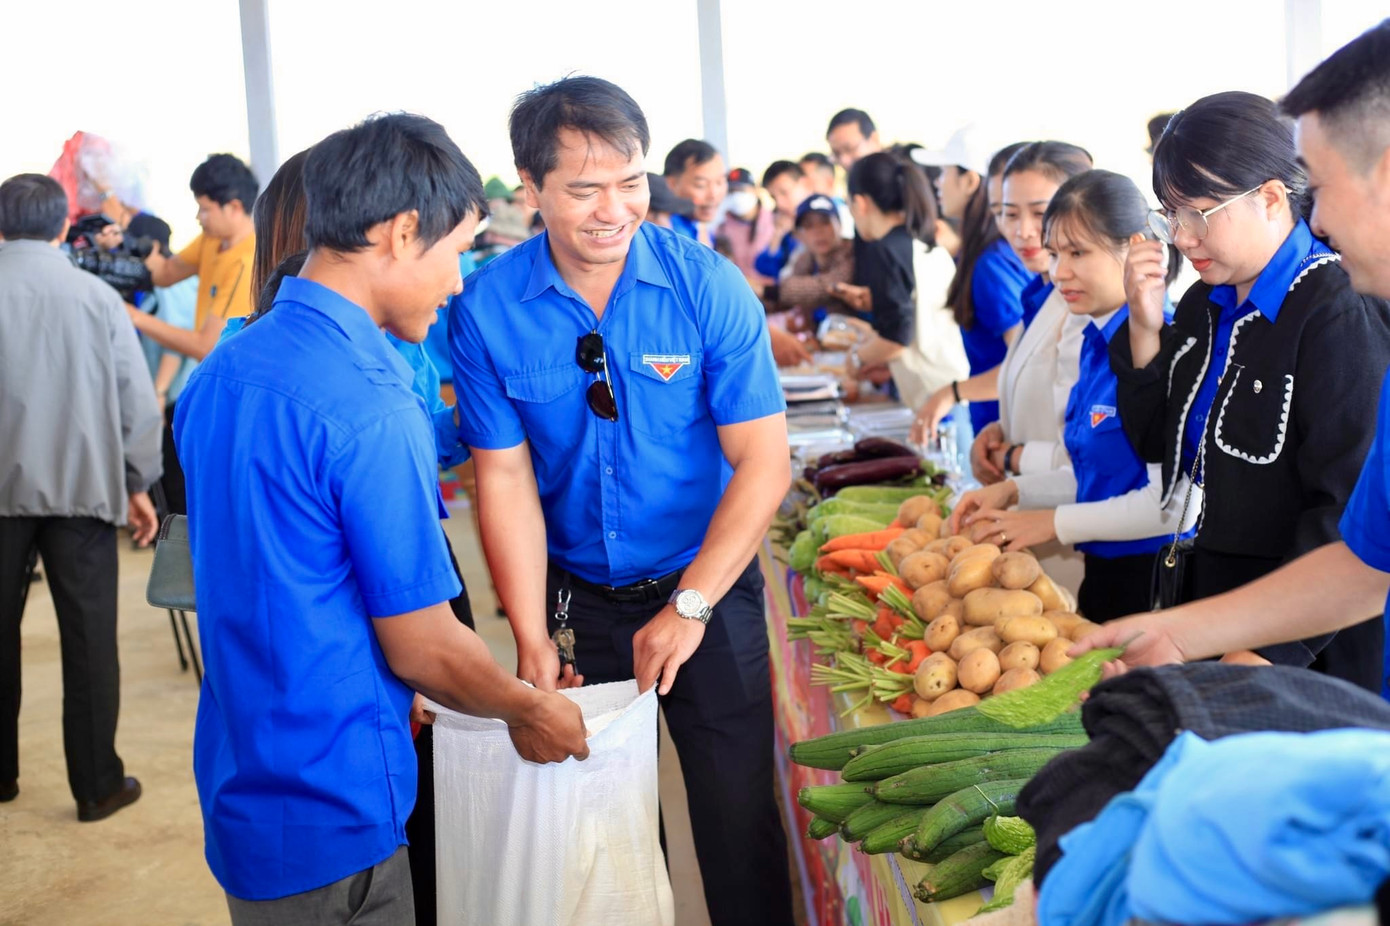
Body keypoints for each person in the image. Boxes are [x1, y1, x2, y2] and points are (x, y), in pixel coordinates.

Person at [175, 114, 589, 925]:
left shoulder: (222, 372)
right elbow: (423, 641)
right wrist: (529, 706)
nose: (460, 281)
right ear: (402, 233)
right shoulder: (370, 401)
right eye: (456, 252)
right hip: (336, 798)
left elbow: (282, 574)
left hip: (245, 777)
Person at [449, 75, 795, 926]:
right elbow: (504, 478)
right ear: (529, 190)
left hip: (707, 594)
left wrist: (691, 603)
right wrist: (530, 636)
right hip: (580, 610)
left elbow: (762, 462)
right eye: (583, 188)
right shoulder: (489, 309)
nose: (614, 208)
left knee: (738, 818)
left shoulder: (705, 286)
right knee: (601, 831)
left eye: (630, 180)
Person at [1077, 42, 1390, 685]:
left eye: (1199, 213)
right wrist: (1143, 323)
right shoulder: (1204, 304)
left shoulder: (1336, 311)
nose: (1183, 237)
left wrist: (1257, 660)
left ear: (1272, 198)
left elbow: (1344, 522)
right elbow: (1157, 446)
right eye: (1171, 214)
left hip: (1308, 661)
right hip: (1224, 614)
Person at [951, 170, 1193, 620]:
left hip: (1155, 589)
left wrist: (1049, 523)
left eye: (1078, 253)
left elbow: (1170, 508)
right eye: (1055, 253)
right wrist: (1011, 490)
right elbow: (1090, 474)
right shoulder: (1094, 342)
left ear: (1137, 247)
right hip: (1106, 576)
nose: (1059, 272)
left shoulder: (1166, 347)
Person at [0, 173, 162, 819]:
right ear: (65, 226)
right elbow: (136, 401)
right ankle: (97, 786)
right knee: (91, 640)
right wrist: (137, 481)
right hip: (83, 493)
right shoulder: (95, 297)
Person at [124, 153, 259, 516]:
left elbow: (205, 346)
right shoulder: (212, 241)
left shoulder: (247, 259)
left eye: (204, 209)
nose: (199, 218)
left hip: (237, 394)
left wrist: (134, 317)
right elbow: (165, 272)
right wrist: (120, 246)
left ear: (233, 206)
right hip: (211, 387)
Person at [913, 130, 1034, 435]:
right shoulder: (985, 254)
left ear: (969, 181)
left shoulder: (990, 265)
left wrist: (951, 392)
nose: (937, 183)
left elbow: (1023, 365)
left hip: (1008, 432)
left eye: (943, 172)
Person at [831, 152, 969, 409]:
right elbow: (915, 322)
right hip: (951, 388)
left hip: (935, 398)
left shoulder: (886, 250)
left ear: (860, 203)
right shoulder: (920, 243)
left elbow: (897, 339)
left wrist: (856, 358)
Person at [754, 194, 855, 321]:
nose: (818, 231)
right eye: (809, 225)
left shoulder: (851, 253)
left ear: (839, 225)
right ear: (799, 235)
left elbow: (825, 287)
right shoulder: (805, 258)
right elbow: (786, 300)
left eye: (825, 222)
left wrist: (766, 290)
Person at [754, 160, 813, 281]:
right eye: (774, 197)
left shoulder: (830, 219)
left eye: (784, 192)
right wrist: (777, 236)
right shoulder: (787, 233)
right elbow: (764, 267)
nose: (779, 204)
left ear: (805, 184)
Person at [663, 138, 726, 247]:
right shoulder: (667, 234)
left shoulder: (699, 225)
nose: (713, 195)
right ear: (671, 184)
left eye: (719, 182)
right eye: (701, 185)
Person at [716, 167, 775, 277]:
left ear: (755, 190)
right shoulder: (721, 230)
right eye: (731, 191)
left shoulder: (775, 223)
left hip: (772, 291)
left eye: (741, 190)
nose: (736, 196)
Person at [800, 150, 855, 236]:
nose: (802, 187)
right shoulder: (800, 214)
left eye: (809, 182)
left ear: (829, 182)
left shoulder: (847, 215)